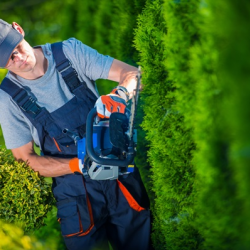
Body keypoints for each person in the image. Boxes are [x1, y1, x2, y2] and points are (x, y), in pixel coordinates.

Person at [0, 19, 151, 250]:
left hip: (118, 173)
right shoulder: (7, 98)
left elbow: (133, 74)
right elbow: (27, 162)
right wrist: (78, 164)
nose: (18, 58)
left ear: (18, 30)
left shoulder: (69, 53)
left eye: (17, 48)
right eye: (9, 59)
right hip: (75, 195)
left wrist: (119, 94)